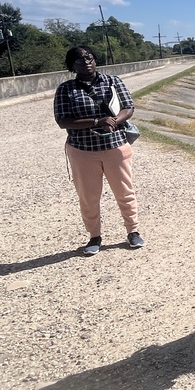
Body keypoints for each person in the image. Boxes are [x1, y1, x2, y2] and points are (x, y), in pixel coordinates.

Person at [54, 45, 143, 256]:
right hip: (83, 151)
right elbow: (63, 121)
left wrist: (113, 121)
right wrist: (96, 121)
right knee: (88, 197)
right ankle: (94, 236)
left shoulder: (113, 81)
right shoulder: (66, 90)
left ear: (95, 59)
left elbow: (128, 107)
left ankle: (133, 231)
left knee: (125, 192)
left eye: (89, 57)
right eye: (79, 60)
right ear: (71, 66)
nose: (85, 62)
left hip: (116, 147)